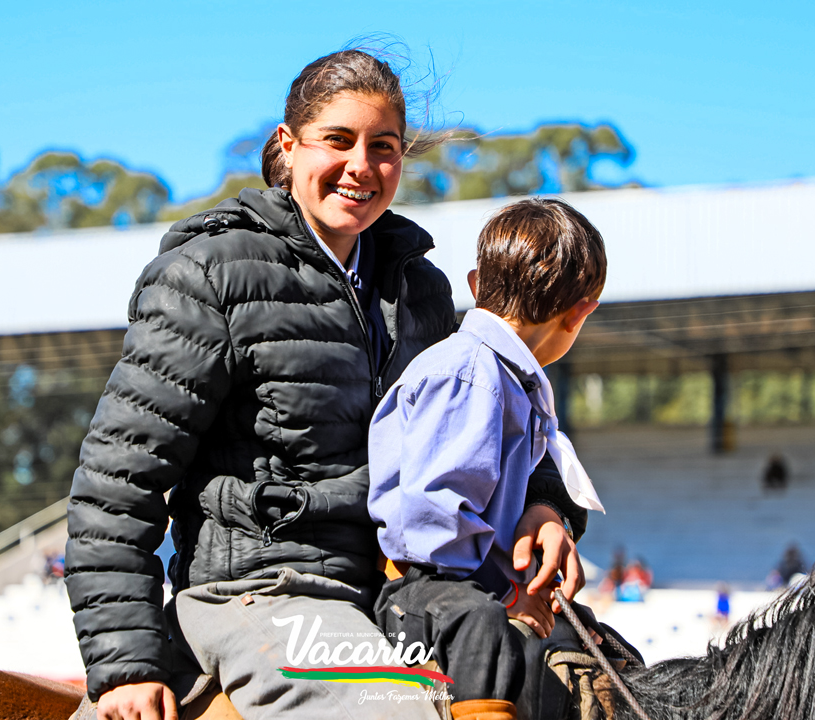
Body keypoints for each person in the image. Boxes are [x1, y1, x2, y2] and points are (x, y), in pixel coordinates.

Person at [65, 49, 586, 720]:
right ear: (289, 145)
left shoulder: (420, 287)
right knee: (395, 715)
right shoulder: (209, 276)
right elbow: (117, 479)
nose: (361, 167)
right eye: (338, 140)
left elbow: (482, 417)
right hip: (262, 593)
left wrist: (542, 506)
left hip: (397, 595)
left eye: (384, 147)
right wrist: (124, 665)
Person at [368, 198, 607, 720]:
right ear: (581, 311)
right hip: (429, 591)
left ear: (476, 284)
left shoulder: (509, 376)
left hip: (466, 582)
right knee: (486, 628)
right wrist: (506, 597)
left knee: (602, 647)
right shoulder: (471, 373)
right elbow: (436, 523)